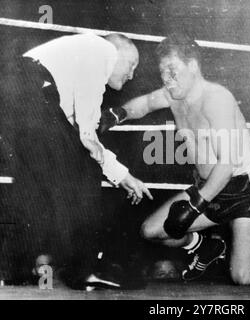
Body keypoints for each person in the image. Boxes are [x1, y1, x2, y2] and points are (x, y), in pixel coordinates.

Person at [99, 33, 250, 285]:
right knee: (150, 230)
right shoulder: (172, 95)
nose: (167, 78)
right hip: (207, 188)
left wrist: (195, 206)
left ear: (193, 66)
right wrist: (117, 114)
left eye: (172, 69)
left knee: (244, 275)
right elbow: (143, 104)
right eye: (162, 71)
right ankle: (204, 247)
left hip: (242, 189)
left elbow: (227, 165)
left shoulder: (216, 99)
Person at [0, 33, 152, 288]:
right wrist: (118, 171)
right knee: (85, 171)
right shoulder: (101, 49)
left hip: (12, 91)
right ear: (118, 52)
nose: (132, 75)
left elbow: (74, 134)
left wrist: (118, 172)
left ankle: (13, 268)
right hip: (29, 86)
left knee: (33, 186)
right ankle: (84, 269)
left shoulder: (72, 63)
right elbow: (87, 138)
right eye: (132, 64)